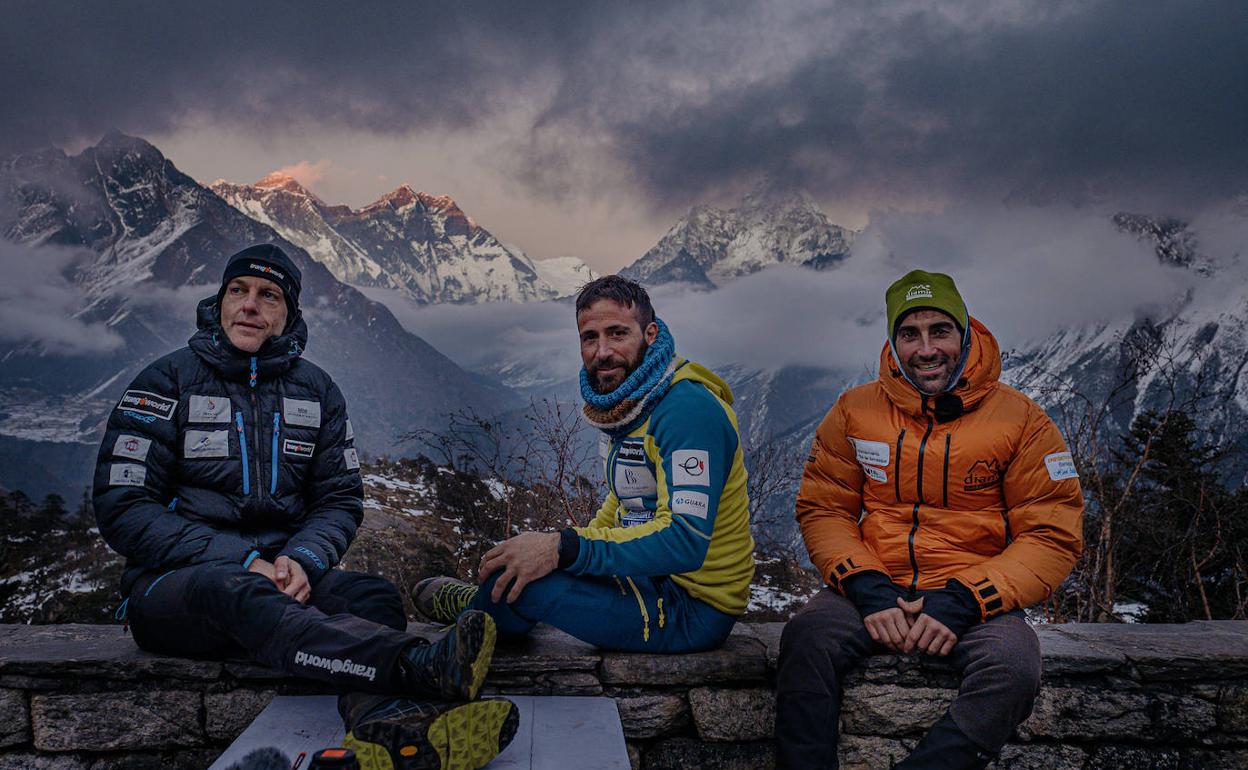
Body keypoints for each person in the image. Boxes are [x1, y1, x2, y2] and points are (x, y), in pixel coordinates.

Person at [93, 244, 516, 770]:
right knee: (227, 585)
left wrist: (304, 558)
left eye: (268, 296)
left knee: (372, 595)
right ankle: (415, 667)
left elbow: (339, 498)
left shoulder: (317, 391)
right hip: (176, 590)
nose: (250, 305)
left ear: (288, 314)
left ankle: (387, 728)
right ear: (219, 303)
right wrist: (243, 561)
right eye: (237, 291)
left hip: (283, 581)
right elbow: (123, 503)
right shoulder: (165, 382)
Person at [775, 270, 1084, 769]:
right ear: (893, 341)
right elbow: (825, 508)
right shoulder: (854, 411)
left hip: (976, 597)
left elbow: (1052, 533)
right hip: (872, 586)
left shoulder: (1023, 421)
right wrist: (866, 585)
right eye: (909, 333)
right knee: (806, 640)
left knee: (1013, 667)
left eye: (939, 331)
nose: (925, 349)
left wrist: (967, 598)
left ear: (964, 332)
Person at [413, 275, 755, 653]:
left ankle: (445, 650)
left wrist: (565, 548)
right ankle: (484, 606)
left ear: (651, 334)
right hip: (651, 579)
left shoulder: (688, 411)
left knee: (531, 582)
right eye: (590, 337)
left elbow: (685, 542)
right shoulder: (633, 402)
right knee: (516, 563)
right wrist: (559, 554)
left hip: (692, 608)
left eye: (617, 334)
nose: (602, 351)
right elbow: (627, 498)